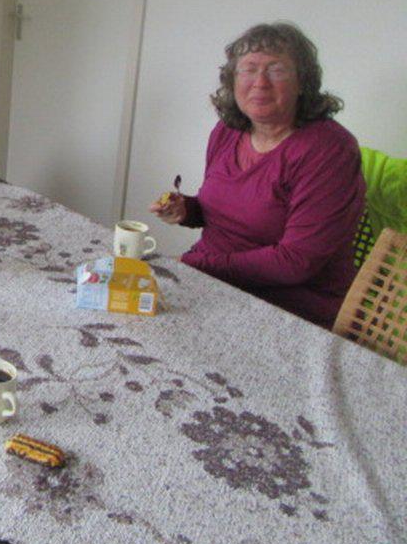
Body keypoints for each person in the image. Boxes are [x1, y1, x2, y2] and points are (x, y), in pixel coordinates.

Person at [149, 22, 364, 329]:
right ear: (232, 80)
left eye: (276, 70)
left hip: (290, 308)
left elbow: (296, 262)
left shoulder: (330, 150)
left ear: (302, 82)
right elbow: (229, 212)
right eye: (248, 69)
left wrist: (194, 264)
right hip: (215, 284)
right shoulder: (227, 131)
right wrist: (187, 210)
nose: (260, 82)